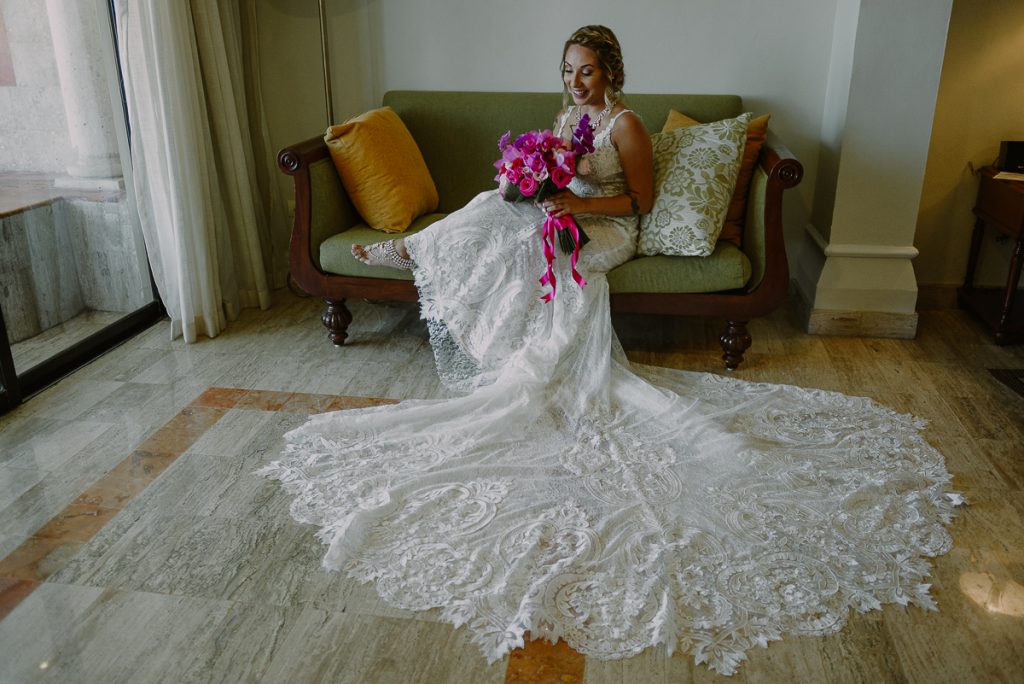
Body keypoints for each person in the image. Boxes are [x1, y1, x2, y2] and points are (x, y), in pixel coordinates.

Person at [261, 26, 960, 676]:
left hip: (610, 231)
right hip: (570, 213)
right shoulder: (569, 119)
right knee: (493, 205)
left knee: (527, 235)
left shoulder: (625, 125)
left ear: (612, 73)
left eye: (586, 72)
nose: (575, 84)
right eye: (568, 72)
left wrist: (571, 210)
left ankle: (428, 263)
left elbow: (638, 204)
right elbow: (560, 179)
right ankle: (417, 253)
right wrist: (534, 187)